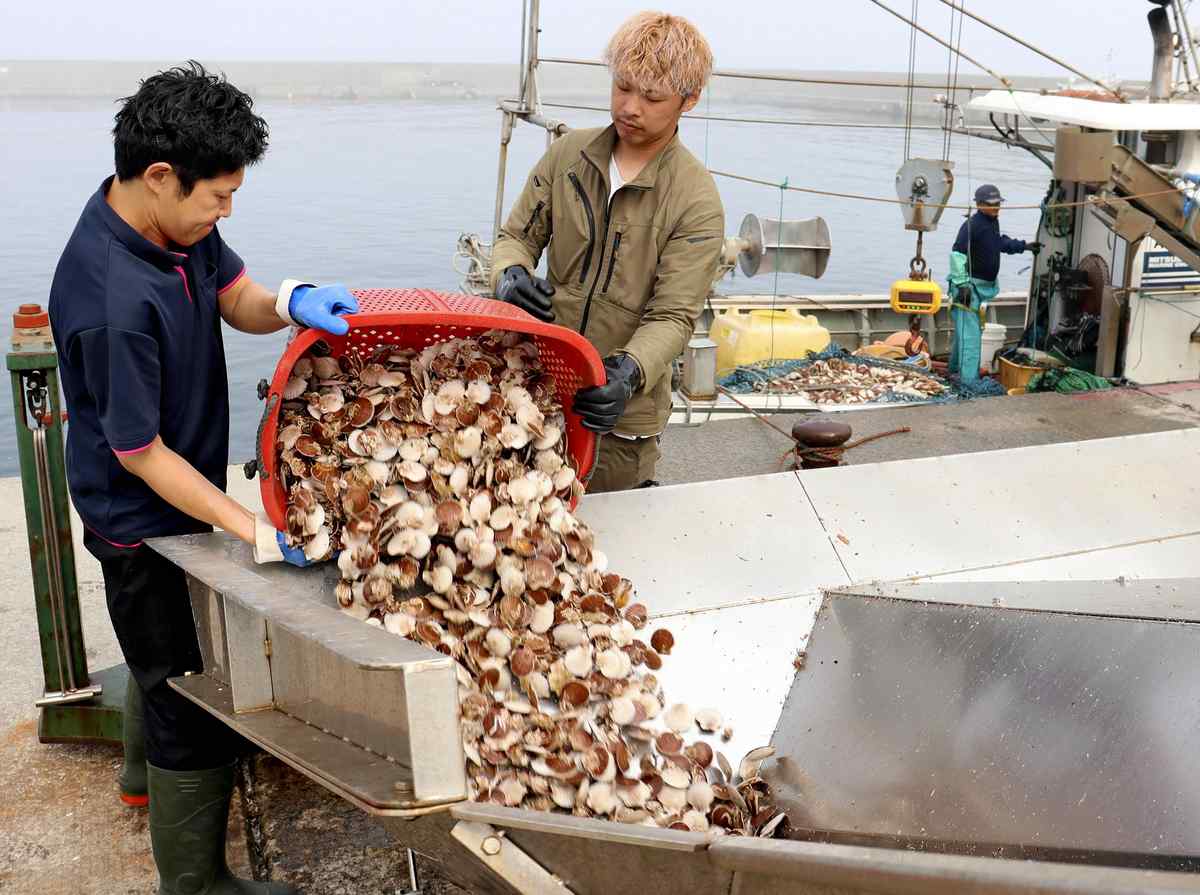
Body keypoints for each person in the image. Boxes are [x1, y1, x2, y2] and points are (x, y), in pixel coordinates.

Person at [49, 62, 355, 894]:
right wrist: (249, 525)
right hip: (139, 519)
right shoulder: (112, 297)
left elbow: (236, 294)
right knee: (182, 687)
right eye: (218, 195)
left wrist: (290, 302)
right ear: (158, 177)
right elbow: (140, 453)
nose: (226, 210)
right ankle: (196, 883)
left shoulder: (168, 223)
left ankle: (140, 779)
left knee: (162, 658)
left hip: (177, 491)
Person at [490, 11, 725, 492]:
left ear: (690, 100)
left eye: (652, 96)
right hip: (533, 388)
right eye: (623, 87)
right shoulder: (566, 157)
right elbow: (515, 237)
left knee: (607, 540)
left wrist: (628, 372)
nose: (630, 107)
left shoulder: (697, 200)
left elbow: (673, 316)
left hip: (619, 420)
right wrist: (509, 274)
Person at [947, 183, 1040, 380]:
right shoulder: (972, 225)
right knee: (970, 339)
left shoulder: (991, 222)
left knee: (963, 334)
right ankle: (968, 382)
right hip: (968, 290)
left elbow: (999, 243)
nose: (996, 207)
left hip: (980, 289)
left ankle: (954, 370)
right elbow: (957, 254)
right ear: (979, 204)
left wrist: (1024, 246)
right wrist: (963, 285)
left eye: (998, 203)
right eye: (992, 204)